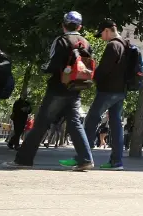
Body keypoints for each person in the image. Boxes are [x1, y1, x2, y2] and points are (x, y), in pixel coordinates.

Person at [4, 11, 95, 171]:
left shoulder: (61, 40)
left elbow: (53, 64)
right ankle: (85, 159)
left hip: (57, 88)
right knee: (75, 124)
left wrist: (44, 68)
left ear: (63, 25)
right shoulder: (86, 43)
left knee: (41, 123)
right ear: (80, 26)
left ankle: (23, 160)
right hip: (76, 88)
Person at [59, 19, 126, 171]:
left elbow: (104, 69)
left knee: (90, 121)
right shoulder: (125, 44)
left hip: (107, 90)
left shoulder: (113, 45)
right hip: (121, 91)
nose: (102, 37)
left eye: (102, 33)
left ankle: (82, 158)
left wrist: (91, 77)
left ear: (108, 30)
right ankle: (116, 162)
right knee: (116, 125)